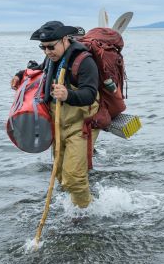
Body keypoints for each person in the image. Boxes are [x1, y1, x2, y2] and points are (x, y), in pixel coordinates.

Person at [12, 21, 100, 208]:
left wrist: (68, 94)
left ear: (65, 40)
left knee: (73, 178)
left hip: (81, 125)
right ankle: (78, 208)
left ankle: (87, 213)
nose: (47, 52)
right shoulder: (52, 59)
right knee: (60, 175)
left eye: (51, 47)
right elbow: (38, 69)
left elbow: (90, 93)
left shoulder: (84, 61)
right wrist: (20, 75)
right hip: (58, 125)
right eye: (43, 47)